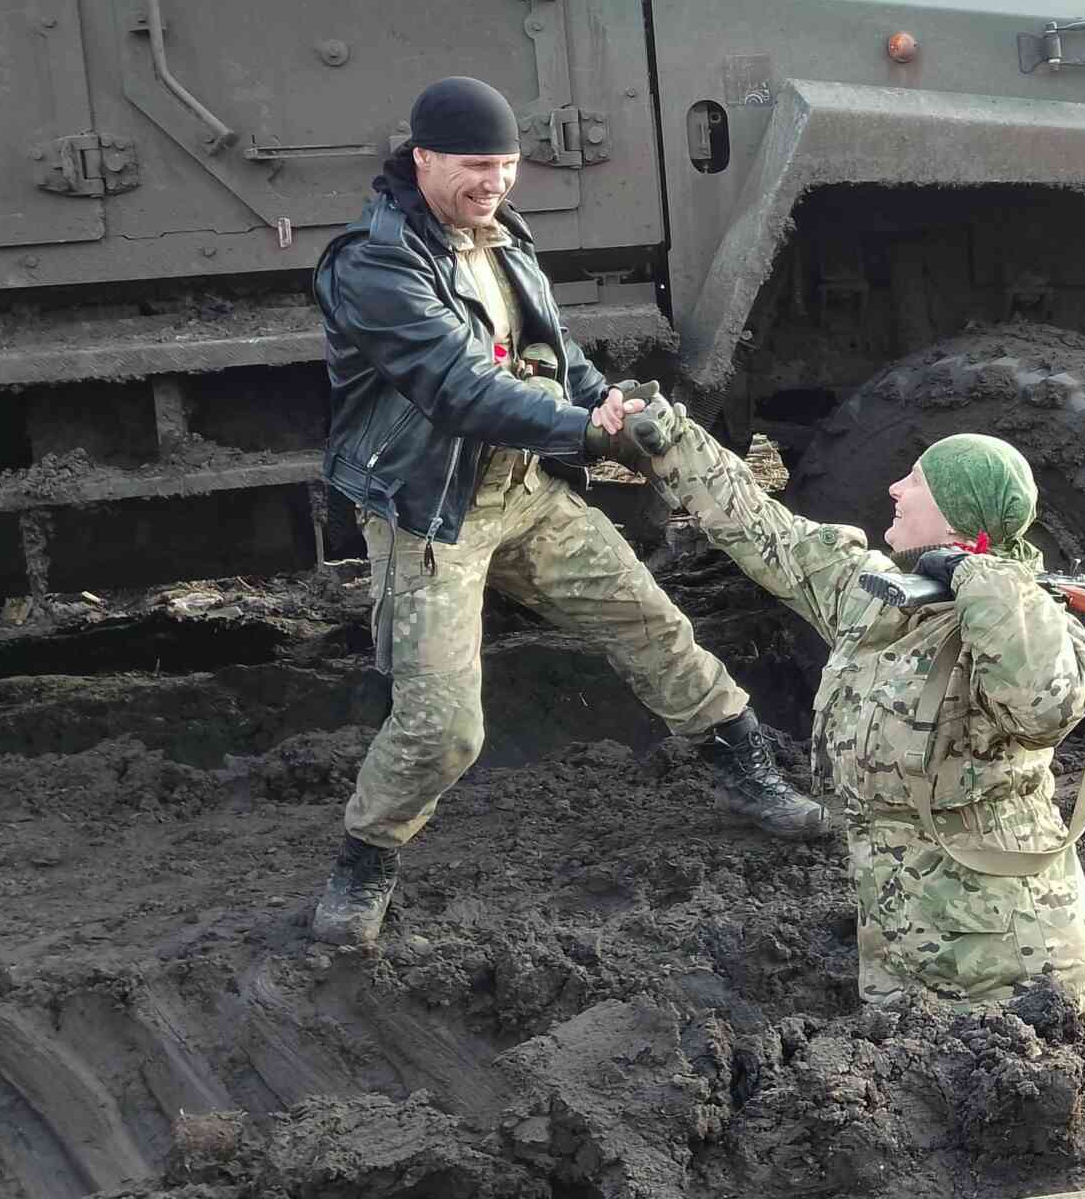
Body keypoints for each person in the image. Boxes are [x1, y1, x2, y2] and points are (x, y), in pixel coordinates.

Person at [308, 76, 826, 947]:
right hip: (432, 511)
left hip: (525, 493)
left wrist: (609, 403)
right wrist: (586, 431)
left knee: (652, 625)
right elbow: (456, 386)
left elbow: (553, 350)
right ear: (424, 158)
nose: (496, 184)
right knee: (442, 729)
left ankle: (750, 776)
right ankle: (364, 863)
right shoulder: (375, 264)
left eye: (507, 167)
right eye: (478, 167)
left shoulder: (500, 236)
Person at [624, 398, 1085, 1018]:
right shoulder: (880, 600)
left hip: (1007, 969)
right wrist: (672, 440)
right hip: (899, 945)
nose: (896, 487)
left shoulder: (1034, 629)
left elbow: (1042, 707)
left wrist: (986, 582)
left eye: (919, 482)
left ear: (962, 517)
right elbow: (768, 533)